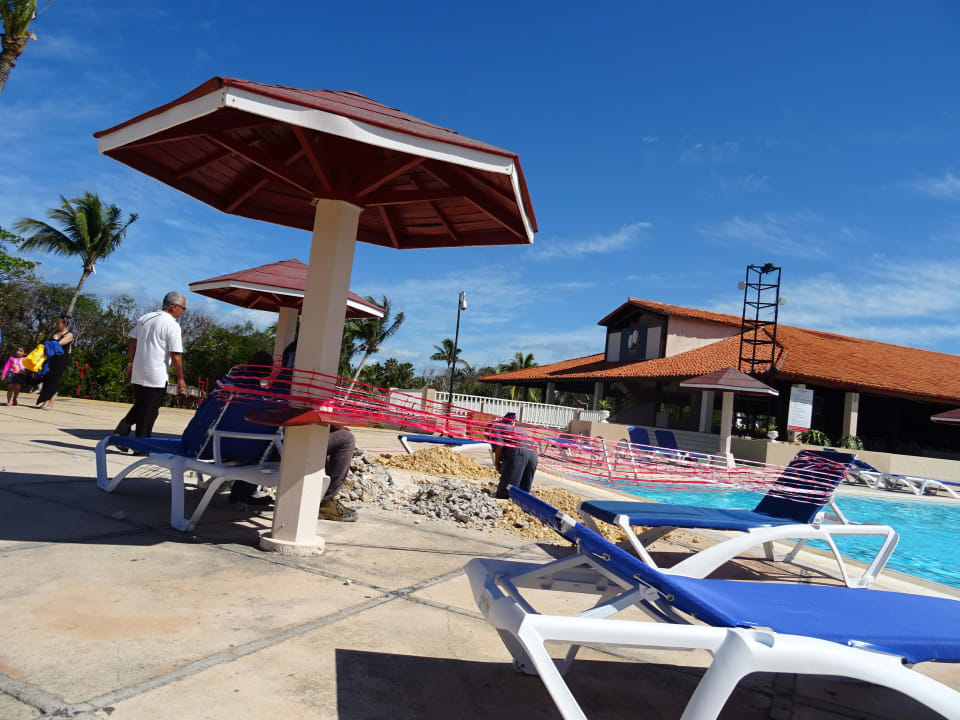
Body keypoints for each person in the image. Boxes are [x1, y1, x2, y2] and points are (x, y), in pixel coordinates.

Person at [113, 291, 186, 440]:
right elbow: (176, 354)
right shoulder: (172, 325)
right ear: (173, 307)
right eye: (183, 308)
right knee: (149, 411)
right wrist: (180, 378)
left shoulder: (146, 318)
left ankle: (122, 430)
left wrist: (130, 364)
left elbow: (133, 342)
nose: (183, 312)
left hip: (139, 370)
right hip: (156, 374)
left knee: (142, 405)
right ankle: (141, 444)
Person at [491, 412, 539, 499]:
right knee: (523, 492)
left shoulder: (494, 427)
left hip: (519, 451)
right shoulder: (518, 430)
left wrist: (497, 463)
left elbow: (500, 445)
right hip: (534, 455)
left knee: (506, 492)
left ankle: (504, 500)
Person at [36, 315, 74, 410]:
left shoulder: (69, 335)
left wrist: (46, 345)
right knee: (47, 379)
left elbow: (58, 344)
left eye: (58, 322)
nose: (57, 324)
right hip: (50, 359)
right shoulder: (54, 332)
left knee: (54, 380)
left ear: (65, 324)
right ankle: (45, 400)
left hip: (60, 360)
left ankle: (50, 402)